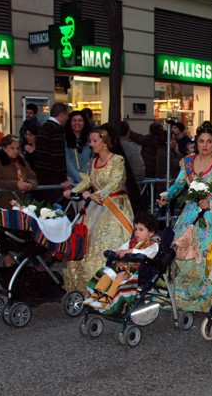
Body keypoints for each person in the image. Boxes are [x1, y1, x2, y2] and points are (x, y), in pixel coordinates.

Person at [158, 124, 212, 312]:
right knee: (183, 250)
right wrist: (167, 195)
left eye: (209, 141)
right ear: (196, 142)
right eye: (201, 141)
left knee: (209, 252)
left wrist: (211, 202)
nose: (205, 145)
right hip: (191, 212)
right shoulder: (187, 162)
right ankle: (184, 291)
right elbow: (178, 185)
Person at [62, 125, 141, 293]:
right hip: (97, 208)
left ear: (105, 142)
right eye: (90, 140)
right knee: (87, 243)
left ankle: (113, 285)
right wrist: (74, 190)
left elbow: (114, 182)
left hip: (115, 208)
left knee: (111, 242)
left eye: (94, 141)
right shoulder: (94, 161)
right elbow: (89, 180)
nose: (91, 144)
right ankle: (87, 286)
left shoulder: (117, 160)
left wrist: (95, 196)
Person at [83, 213, 161, 314]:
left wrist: (130, 251)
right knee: (108, 272)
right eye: (136, 229)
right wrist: (118, 252)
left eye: (141, 230)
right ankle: (95, 296)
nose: (137, 232)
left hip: (140, 270)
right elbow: (122, 248)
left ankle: (106, 300)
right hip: (124, 266)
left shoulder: (153, 244)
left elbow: (147, 253)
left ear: (150, 233)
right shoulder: (132, 242)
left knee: (120, 275)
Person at [0, 135, 39, 208]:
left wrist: (29, 184)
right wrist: (16, 184)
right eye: (12, 148)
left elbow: (33, 178)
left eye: (18, 148)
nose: (16, 151)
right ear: (4, 148)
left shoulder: (23, 163)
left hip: (20, 203)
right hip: (2, 203)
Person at [33, 102, 70, 202]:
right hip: (53, 178)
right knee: (58, 207)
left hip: (42, 175)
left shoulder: (43, 128)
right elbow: (58, 156)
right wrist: (63, 179)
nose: (67, 119)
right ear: (62, 115)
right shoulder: (56, 130)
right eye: (67, 116)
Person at [64, 110, 92, 186]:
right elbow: (67, 161)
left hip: (87, 179)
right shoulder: (65, 139)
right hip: (70, 180)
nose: (77, 123)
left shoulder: (90, 139)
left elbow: (92, 158)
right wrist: (79, 179)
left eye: (80, 121)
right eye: (74, 120)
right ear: (70, 122)